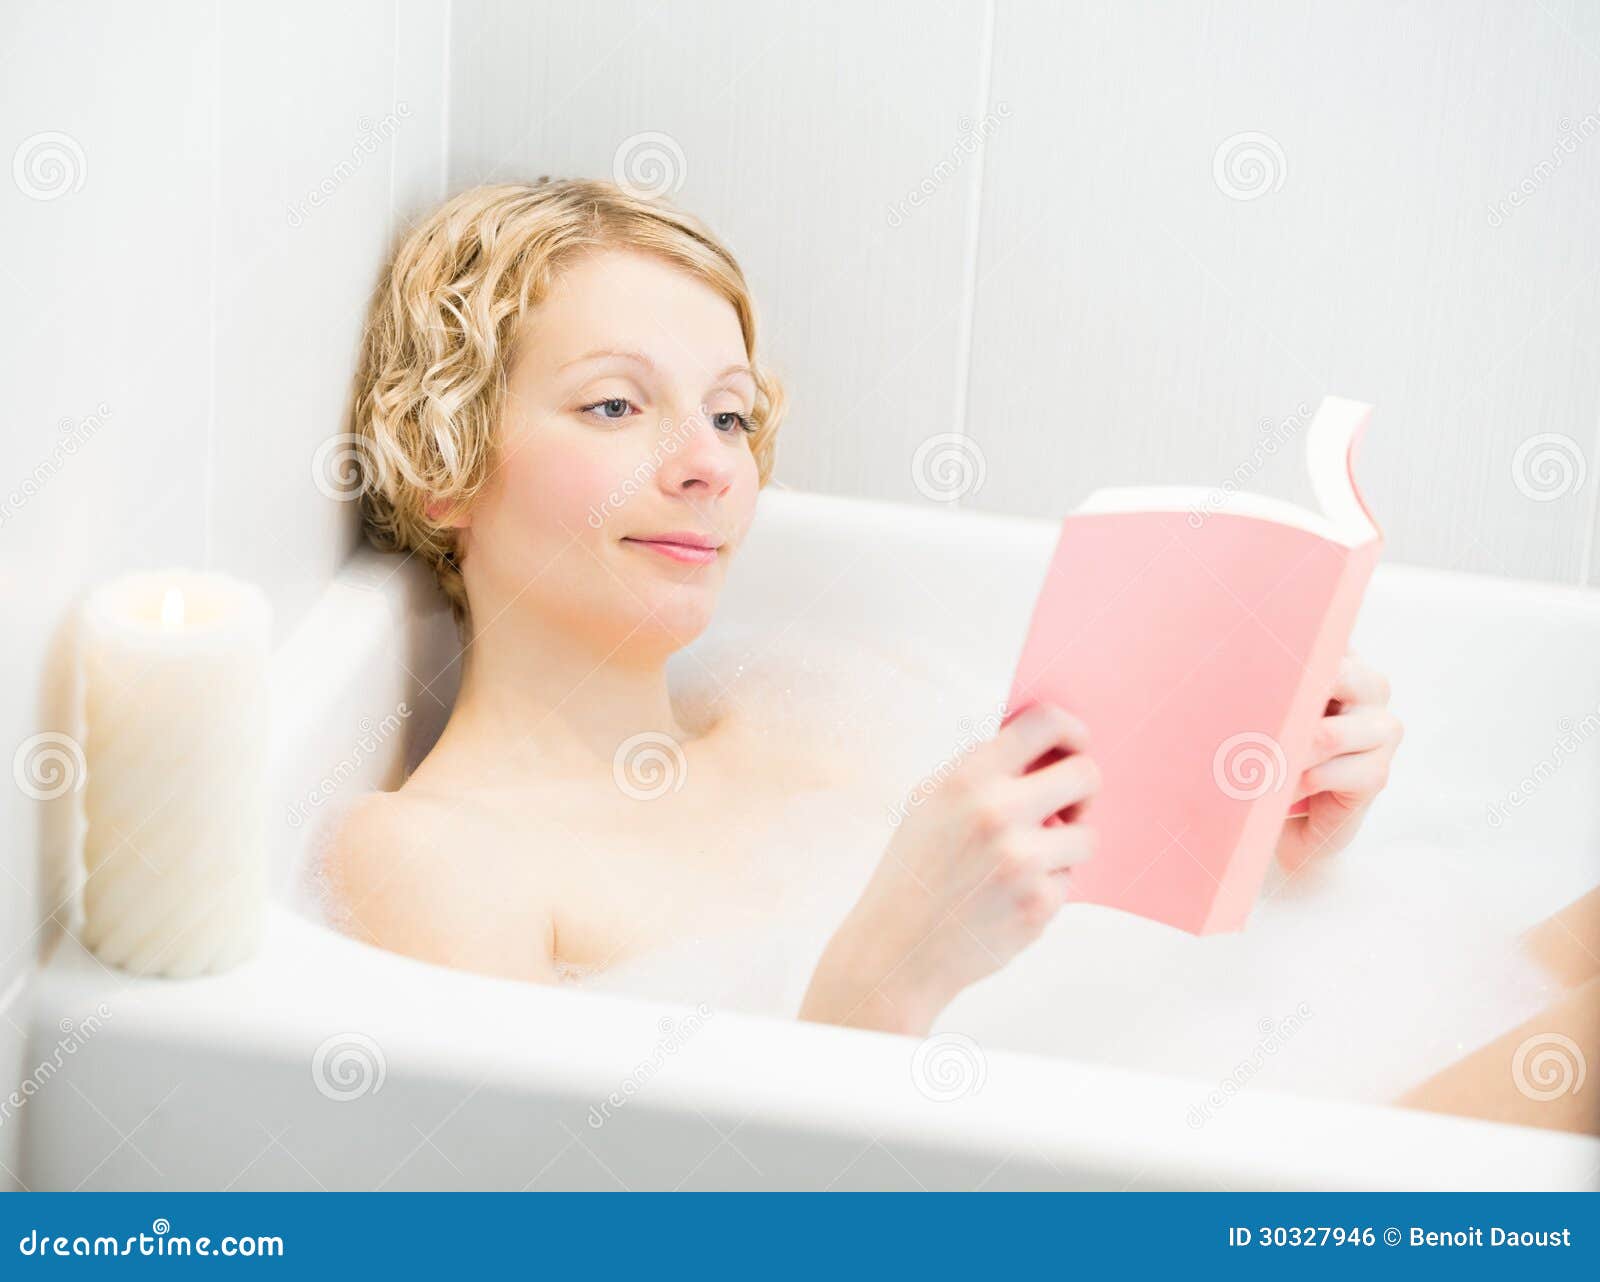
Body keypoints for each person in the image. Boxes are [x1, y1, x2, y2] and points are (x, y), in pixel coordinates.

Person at [324, 178, 1405, 1040]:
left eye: (732, 417)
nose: (708, 464)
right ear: (443, 462)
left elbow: (1129, 987)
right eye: (614, 403)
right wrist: (879, 985)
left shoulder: (825, 707)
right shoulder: (436, 857)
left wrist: (1272, 852)